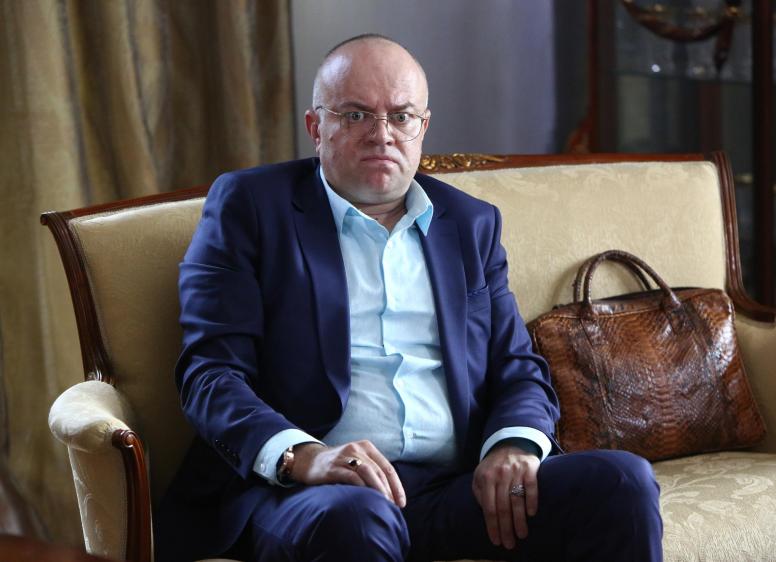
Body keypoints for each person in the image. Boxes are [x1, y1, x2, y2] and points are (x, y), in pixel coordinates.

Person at [155, 34, 662, 561]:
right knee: (355, 519)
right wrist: (304, 456)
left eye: (401, 117)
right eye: (355, 115)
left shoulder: (469, 224)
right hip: (315, 493)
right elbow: (210, 374)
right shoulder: (251, 207)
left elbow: (516, 365)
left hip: (457, 487)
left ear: (423, 126)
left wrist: (513, 444)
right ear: (316, 127)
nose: (382, 135)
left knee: (621, 483)